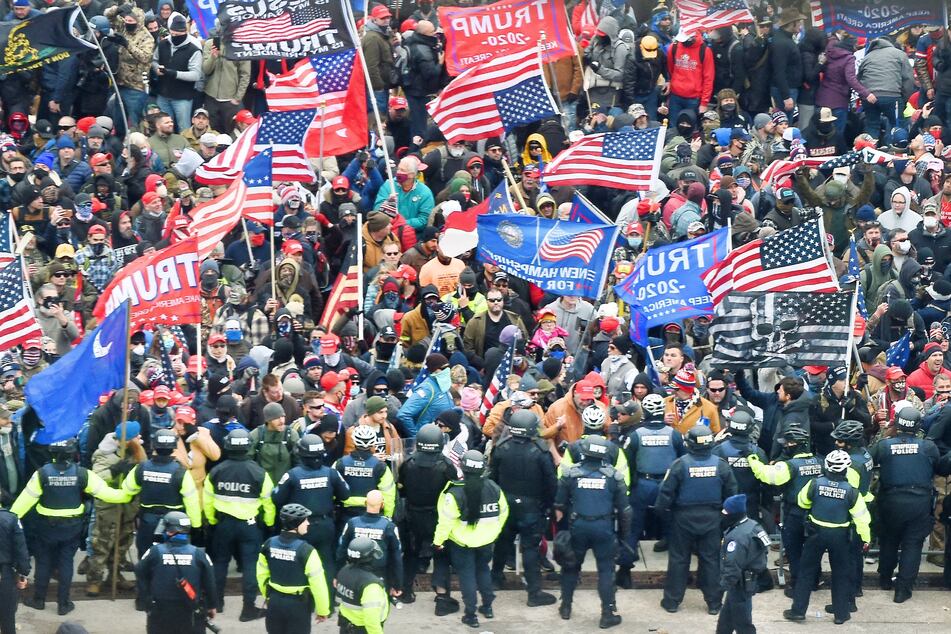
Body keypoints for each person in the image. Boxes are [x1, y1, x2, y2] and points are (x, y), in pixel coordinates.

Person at [11, 439, 128, 615]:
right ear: (73, 453)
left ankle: (38, 600)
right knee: (66, 563)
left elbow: (22, 504)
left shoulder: (42, 474)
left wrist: (8, 519)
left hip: (46, 528)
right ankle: (63, 604)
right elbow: (108, 494)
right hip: (71, 529)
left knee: (43, 563)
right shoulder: (82, 474)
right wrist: (127, 494)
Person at [655, 425, 737, 615]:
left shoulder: (679, 464)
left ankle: (672, 602)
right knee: (711, 561)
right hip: (712, 518)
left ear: (689, 443)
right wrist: (724, 518)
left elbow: (664, 494)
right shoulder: (721, 465)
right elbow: (732, 495)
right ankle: (714, 604)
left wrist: (664, 515)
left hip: (683, 518)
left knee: (679, 560)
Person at [784, 450, 871, 625]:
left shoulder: (814, 484)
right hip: (840, 536)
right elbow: (862, 519)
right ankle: (841, 613)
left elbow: (803, 502)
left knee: (806, 573)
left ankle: (798, 611)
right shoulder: (852, 492)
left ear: (827, 466)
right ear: (846, 469)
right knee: (840, 574)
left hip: (816, 534)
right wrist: (866, 539)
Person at [870, 406, 945, 602]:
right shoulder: (928, 447)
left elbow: (869, 459)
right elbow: (939, 467)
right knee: (913, 545)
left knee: (889, 541)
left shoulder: (885, 445)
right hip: (919, 502)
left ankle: (885, 579)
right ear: (918, 426)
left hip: (890, 501)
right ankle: (903, 590)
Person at [555, 435, 630, 629]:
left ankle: (565, 607)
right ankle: (607, 614)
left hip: (578, 526)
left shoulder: (571, 475)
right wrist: (624, 538)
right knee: (606, 570)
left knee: (571, 567)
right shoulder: (614, 476)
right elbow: (625, 511)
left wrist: (563, 532)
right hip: (603, 528)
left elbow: (559, 505)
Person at [203, 428, 276, 621]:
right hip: (250, 527)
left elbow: (207, 501)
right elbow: (269, 503)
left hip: (223, 525)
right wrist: (268, 524)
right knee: (251, 565)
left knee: (219, 563)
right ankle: (248, 608)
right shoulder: (259, 472)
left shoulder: (216, 471)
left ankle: (216, 603)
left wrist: (212, 521)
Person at [488, 410, 558, 606]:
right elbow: (550, 483)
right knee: (530, 549)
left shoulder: (501, 448)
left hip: (506, 506)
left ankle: (495, 578)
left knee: (502, 544)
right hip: (531, 508)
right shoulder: (540, 452)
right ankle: (534, 593)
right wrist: (548, 506)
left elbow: (492, 478)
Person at [433, 449, 508, 628]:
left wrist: (438, 541)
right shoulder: (494, 487)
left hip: (462, 543)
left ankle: (470, 615)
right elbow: (504, 512)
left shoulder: (455, 492)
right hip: (487, 541)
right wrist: (493, 533)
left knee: (467, 575)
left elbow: (445, 521)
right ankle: (488, 607)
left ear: (462, 467)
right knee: (483, 571)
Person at [617, 393, 685, 587]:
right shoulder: (674, 434)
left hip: (643, 483)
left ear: (644, 412)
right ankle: (675, 556)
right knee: (672, 521)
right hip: (667, 483)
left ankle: (627, 562)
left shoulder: (635, 435)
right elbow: (683, 459)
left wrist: (631, 485)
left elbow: (627, 463)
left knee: (633, 524)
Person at [271, 434, 350, 598]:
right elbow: (345, 494)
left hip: (299, 526)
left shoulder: (292, 475)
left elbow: (276, 497)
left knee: (300, 561)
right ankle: (327, 600)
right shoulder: (331, 473)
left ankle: (304, 597)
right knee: (326, 562)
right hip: (325, 525)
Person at [747, 427, 821, 596]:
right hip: (815, 514)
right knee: (812, 550)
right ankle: (814, 581)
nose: (785, 447)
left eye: (787, 444)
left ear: (795, 444)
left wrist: (752, 459)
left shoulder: (790, 466)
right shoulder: (819, 462)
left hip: (795, 513)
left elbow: (768, 476)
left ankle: (797, 585)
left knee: (794, 551)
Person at [396, 423, 455, 606]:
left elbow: (402, 488)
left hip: (413, 515)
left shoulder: (408, 464)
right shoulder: (446, 465)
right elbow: (452, 491)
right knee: (441, 555)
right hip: (437, 517)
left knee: (411, 554)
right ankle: (442, 596)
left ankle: (405, 591)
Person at [122, 428, 202, 558]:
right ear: (173, 447)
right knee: (173, 558)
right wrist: (196, 525)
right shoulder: (181, 472)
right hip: (174, 525)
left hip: (147, 521)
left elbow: (127, 491)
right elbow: (192, 502)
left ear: (155, 445)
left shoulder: (141, 468)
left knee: (145, 557)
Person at [134, 511, 218, 634]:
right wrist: (212, 605)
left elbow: (140, 572)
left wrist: (146, 599)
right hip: (191, 610)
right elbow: (210, 582)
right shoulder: (199, 554)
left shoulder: (155, 552)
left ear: (169, 531)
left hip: (160, 609)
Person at [256, 503, 331, 632]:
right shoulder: (307, 551)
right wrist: (323, 610)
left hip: (274, 602)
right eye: (305, 520)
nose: (308, 523)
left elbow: (261, 574)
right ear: (296, 524)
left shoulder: (268, 544)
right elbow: (318, 584)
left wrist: (268, 596)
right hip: (298, 606)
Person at [717, 494, 770, 634]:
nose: (723, 514)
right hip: (747, 581)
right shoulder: (753, 526)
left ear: (734, 514)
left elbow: (732, 566)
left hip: (740, 584)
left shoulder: (737, 537)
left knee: (743, 625)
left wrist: (721, 587)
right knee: (725, 622)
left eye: (726, 512)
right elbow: (764, 551)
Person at [335, 490, 402, 598]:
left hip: (354, 572)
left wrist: (337, 575)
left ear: (365, 503)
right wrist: (397, 584)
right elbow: (396, 557)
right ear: (382, 505)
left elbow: (341, 551)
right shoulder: (389, 526)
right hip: (380, 575)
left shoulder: (352, 523)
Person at [334, 425, 396, 522]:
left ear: (353, 440)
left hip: (344, 514)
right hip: (373, 515)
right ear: (373, 442)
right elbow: (389, 494)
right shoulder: (380, 466)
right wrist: (388, 516)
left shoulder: (340, 464)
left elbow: (331, 489)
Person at [335, 536, 390, 634]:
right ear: (369, 557)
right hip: (363, 629)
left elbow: (341, 600)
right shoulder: (371, 585)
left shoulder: (343, 571)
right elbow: (371, 621)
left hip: (346, 626)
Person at [0, 489, 29, 634]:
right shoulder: (11, 519)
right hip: (3, 573)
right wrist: (23, 573)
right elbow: (21, 549)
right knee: (7, 616)